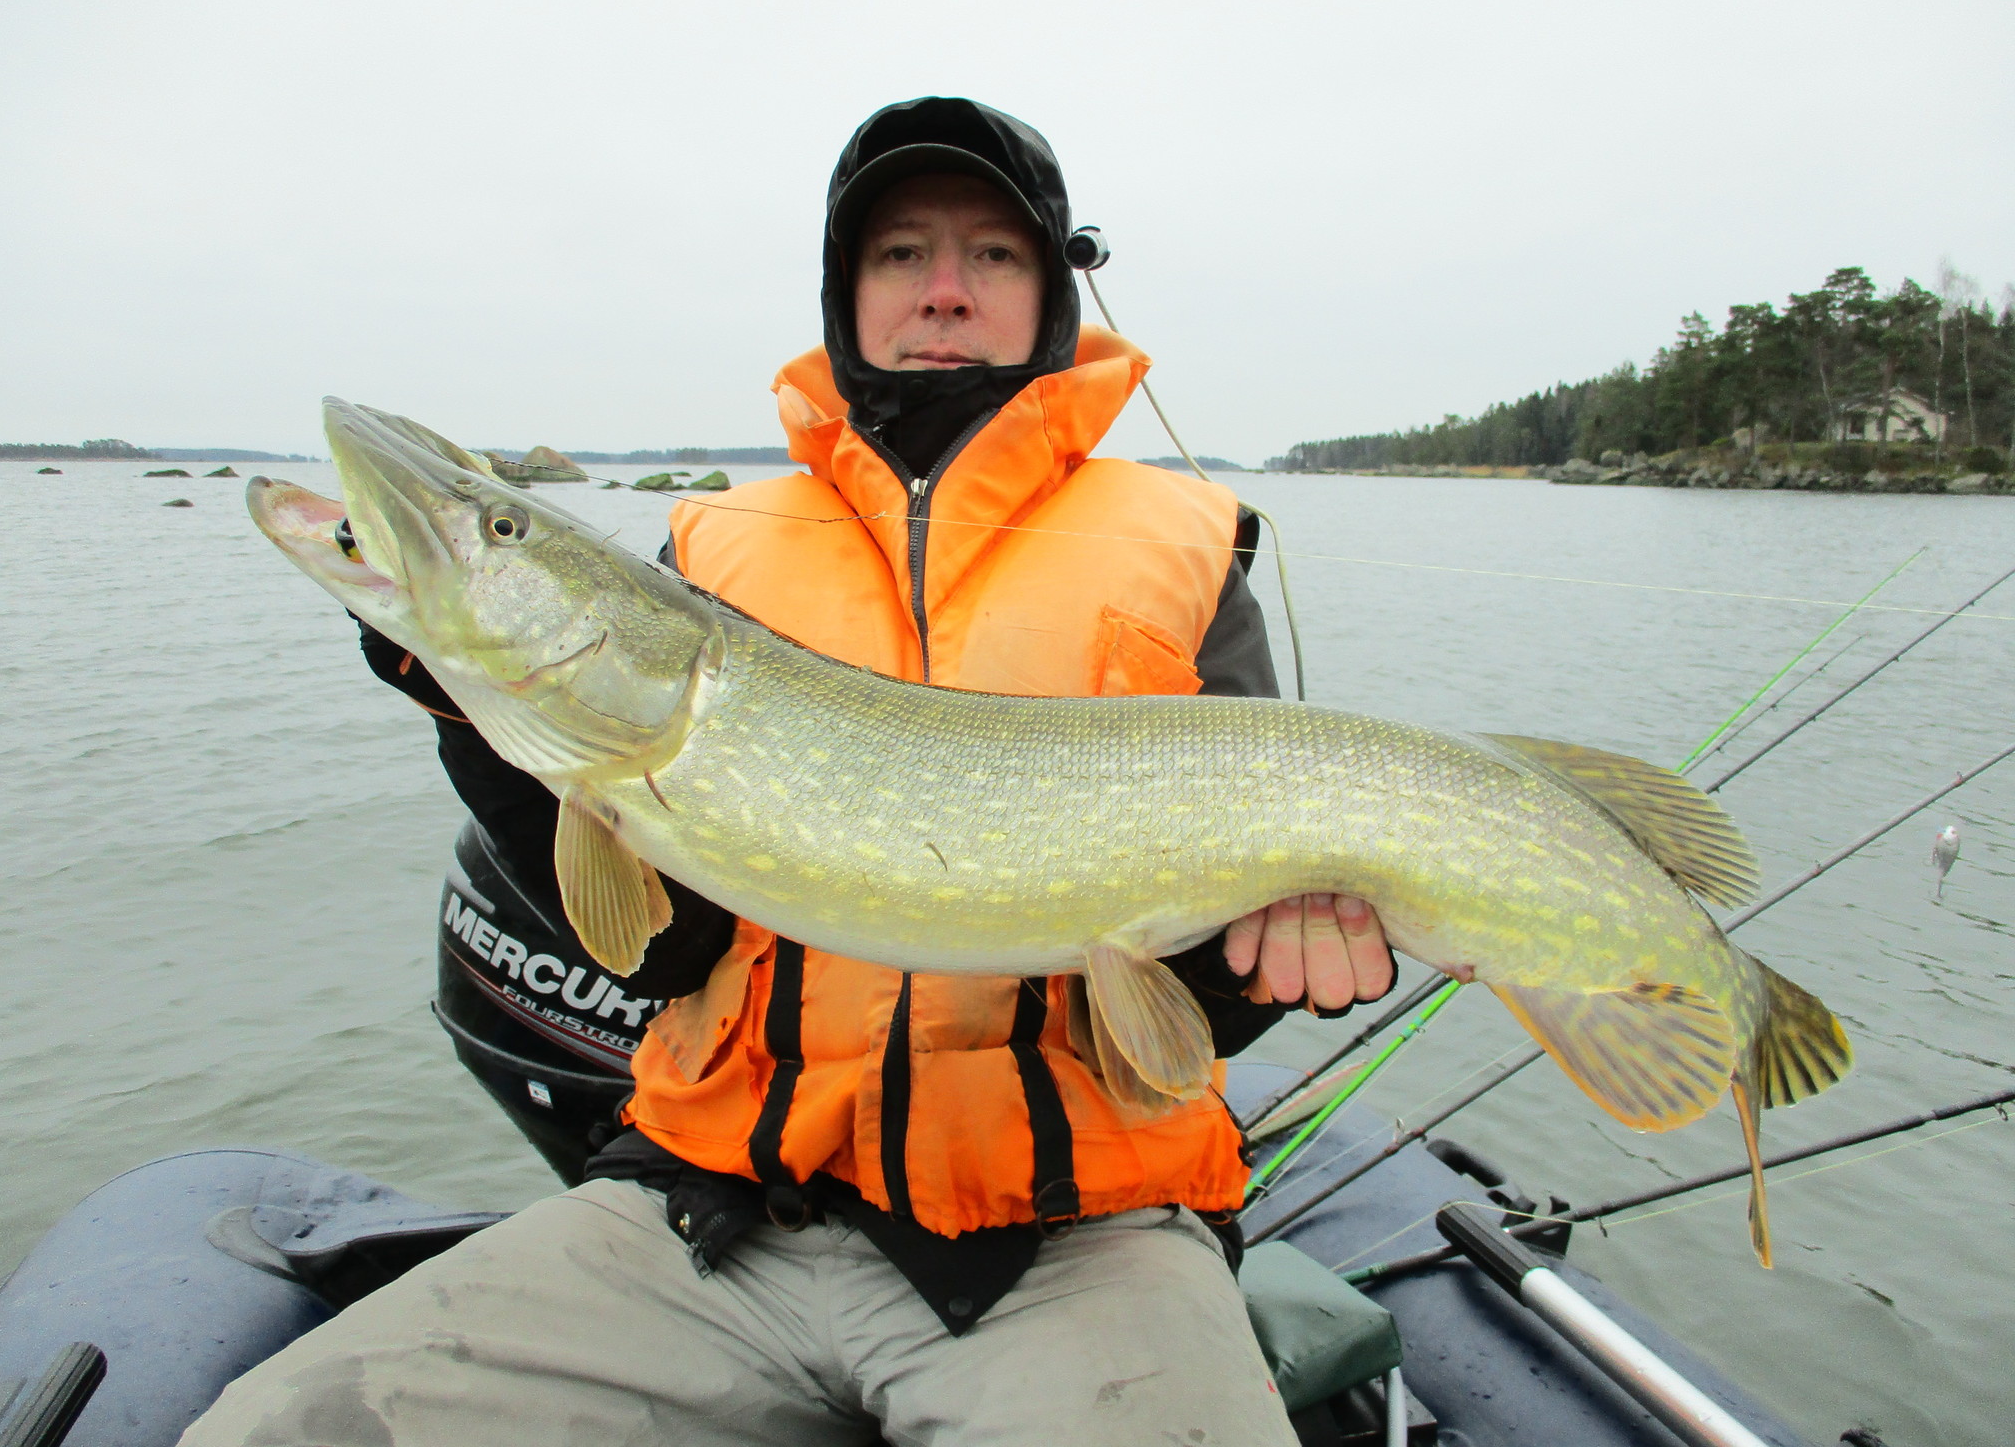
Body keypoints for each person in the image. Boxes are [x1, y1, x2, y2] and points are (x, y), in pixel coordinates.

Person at [184, 97, 1397, 1447]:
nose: (944, 290)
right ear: (846, 291)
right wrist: (468, 706)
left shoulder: (1184, 545)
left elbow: (1200, 1020)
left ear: (1053, 291)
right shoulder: (708, 554)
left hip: (1081, 1247)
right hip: (714, 1219)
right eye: (899, 255)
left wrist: (1260, 962)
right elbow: (658, 954)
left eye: (992, 255)